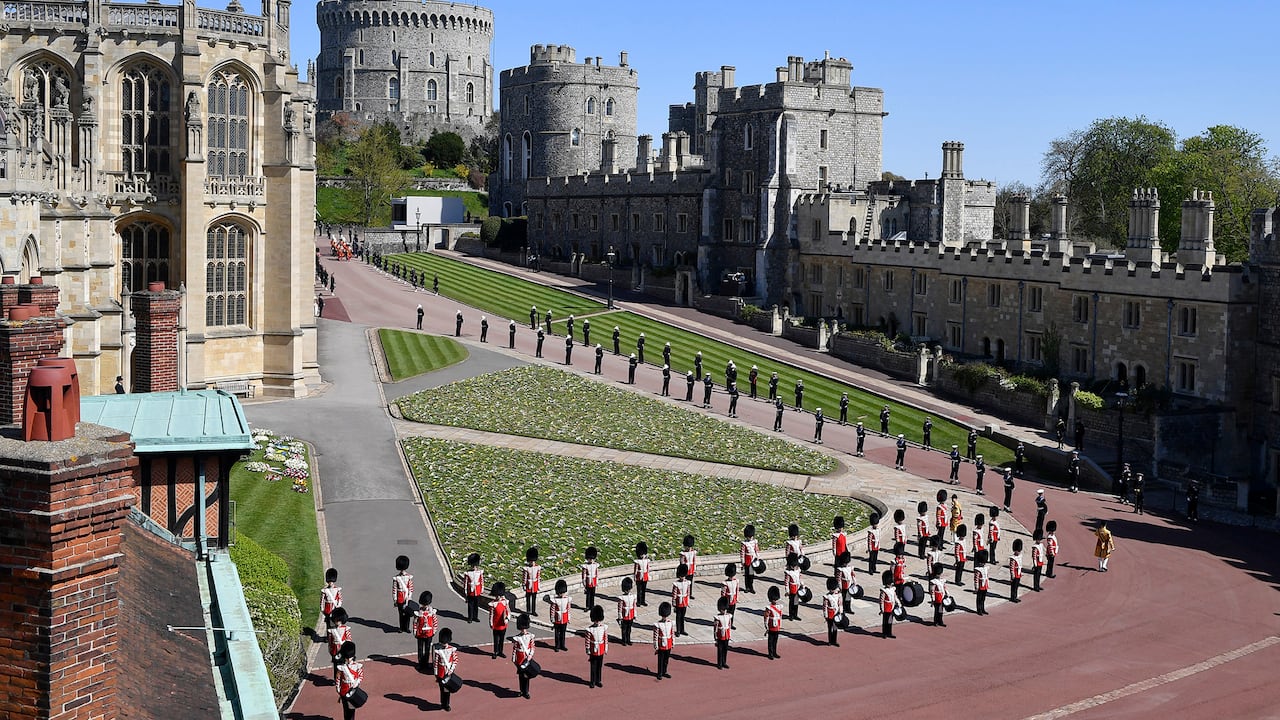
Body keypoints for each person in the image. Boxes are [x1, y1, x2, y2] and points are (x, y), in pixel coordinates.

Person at [335, 641, 364, 720]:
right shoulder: (341, 667)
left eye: (349, 657)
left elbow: (361, 676)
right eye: (347, 658)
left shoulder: (357, 666)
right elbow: (338, 678)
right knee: (346, 710)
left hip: (353, 690)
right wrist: (338, 687)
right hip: (344, 690)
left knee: (351, 710)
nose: (348, 659)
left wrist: (357, 682)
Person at [510, 613, 536, 699]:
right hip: (519, 659)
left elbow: (532, 648)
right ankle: (521, 691)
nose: (523, 630)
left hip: (526, 658)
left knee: (526, 676)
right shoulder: (517, 638)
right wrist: (514, 659)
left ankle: (526, 691)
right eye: (522, 629)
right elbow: (515, 649)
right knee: (521, 676)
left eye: (524, 628)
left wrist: (529, 657)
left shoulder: (530, 636)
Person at [432, 628, 458, 712]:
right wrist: (436, 674)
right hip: (441, 673)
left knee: (447, 690)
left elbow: (455, 661)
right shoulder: (438, 651)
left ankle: (446, 704)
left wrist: (451, 670)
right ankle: (443, 703)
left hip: (448, 672)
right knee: (442, 689)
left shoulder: (452, 649)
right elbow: (436, 663)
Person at [413, 591, 439, 671]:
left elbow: (435, 622)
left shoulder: (432, 612)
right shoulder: (418, 612)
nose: (424, 606)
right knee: (420, 649)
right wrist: (415, 631)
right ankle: (421, 663)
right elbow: (415, 622)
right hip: (420, 633)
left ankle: (426, 663)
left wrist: (434, 631)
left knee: (427, 649)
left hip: (429, 633)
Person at [327, 607, 352, 677]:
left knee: (344, 664)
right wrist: (331, 650)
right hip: (335, 649)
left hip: (343, 648)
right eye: (336, 620)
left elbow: (349, 639)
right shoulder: (332, 631)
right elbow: (330, 641)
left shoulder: (346, 629)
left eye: (339, 620)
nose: (337, 622)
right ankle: (336, 678)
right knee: (336, 665)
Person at [548, 579, 571, 651]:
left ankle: (562, 645)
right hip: (557, 619)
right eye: (561, 593)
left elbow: (568, 609)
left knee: (563, 633)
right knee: (557, 633)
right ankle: (557, 646)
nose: (562, 594)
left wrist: (569, 618)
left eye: (563, 592)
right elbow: (552, 610)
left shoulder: (567, 599)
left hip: (564, 618)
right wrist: (552, 618)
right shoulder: (554, 600)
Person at [392, 555, 414, 632]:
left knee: (407, 614)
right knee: (401, 614)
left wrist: (409, 596)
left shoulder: (409, 577)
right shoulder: (396, 578)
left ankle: (407, 627)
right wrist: (395, 599)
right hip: (400, 597)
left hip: (406, 597)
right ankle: (401, 627)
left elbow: (411, 588)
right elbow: (394, 589)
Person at [653, 602, 675, 678]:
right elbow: (655, 636)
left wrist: (673, 643)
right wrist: (656, 646)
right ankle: (659, 673)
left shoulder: (671, 623)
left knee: (666, 660)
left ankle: (664, 671)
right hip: (661, 644)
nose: (664, 617)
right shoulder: (658, 624)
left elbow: (672, 633)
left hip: (668, 644)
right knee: (660, 660)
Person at [489, 582, 510, 658]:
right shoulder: (492, 604)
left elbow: (508, 611)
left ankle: (500, 651)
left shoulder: (505, 602)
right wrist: (491, 623)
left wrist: (507, 619)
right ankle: (495, 651)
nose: (498, 597)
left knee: (501, 639)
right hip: (496, 624)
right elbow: (491, 615)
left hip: (503, 624)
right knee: (496, 639)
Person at [463, 553, 484, 623]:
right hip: (470, 592)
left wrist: (482, 589)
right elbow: (465, 583)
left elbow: (481, 581)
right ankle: (470, 618)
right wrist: (465, 592)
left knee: (476, 605)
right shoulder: (468, 573)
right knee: (470, 606)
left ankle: (475, 617)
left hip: (477, 591)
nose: (473, 567)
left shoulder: (479, 572)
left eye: (474, 566)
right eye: (472, 566)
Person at [713, 596, 734, 668]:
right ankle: (719, 664)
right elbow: (715, 628)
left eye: (725, 609)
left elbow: (729, 626)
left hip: (726, 635)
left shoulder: (729, 616)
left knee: (725, 650)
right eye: (723, 609)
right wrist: (715, 638)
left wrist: (729, 635)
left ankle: (724, 662)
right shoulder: (717, 617)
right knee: (720, 650)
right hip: (720, 636)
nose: (724, 611)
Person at [672, 564, 692, 636]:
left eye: (683, 576)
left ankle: (682, 630)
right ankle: (678, 630)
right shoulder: (676, 584)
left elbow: (688, 593)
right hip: (678, 602)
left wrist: (688, 601)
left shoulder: (687, 583)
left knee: (683, 616)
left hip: (684, 602)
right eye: (681, 576)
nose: (682, 577)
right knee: (678, 616)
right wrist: (674, 603)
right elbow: (674, 594)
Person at [764, 587, 784, 659]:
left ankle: (774, 652)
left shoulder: (779, 606)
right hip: (771, 625)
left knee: (775, 640)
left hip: (777, 625)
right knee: (770, 640)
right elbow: (766, 616)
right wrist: (766, 625)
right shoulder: (769, 607)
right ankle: (770, 653)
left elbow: (780, 616)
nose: (774, 601)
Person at [822, 577, 842, 646]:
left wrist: (841, 612)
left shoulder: (838, 595)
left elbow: (840, 604)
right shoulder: (827, 597)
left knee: (835, 628)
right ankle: (830, 641)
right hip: (830, 614)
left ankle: (834, 640)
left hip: (836, 613)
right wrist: (826, 616)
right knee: (830, 628)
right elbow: (825, 607)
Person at [741, 524, 761, 593]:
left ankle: (751, 587)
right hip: (747, 560)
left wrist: (758, 557)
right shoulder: (744, 543)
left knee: (751, 575)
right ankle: (747, 587)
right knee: (747, 575)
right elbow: (742, 553)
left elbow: (756, 550)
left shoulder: (754, 542)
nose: (751, 538)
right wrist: (742, 561)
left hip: (753, 560)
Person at [617, 577, 637, 645]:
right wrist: (620, 616)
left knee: (629, 629)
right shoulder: (621, 598)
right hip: (624, 615)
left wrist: (635, 614)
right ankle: (624, 640)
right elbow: (620, 608)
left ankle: (628, 640)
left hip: (630, 615)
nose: (627, 590)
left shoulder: (633, 597)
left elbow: (634, 606)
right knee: (624, 629)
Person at [783, 553, 804, 620]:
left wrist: (802, 584)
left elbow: (800, 578)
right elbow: (786, 582)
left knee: (796, 602)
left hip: (797, 587)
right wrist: (787, 591)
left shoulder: (798, 570)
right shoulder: (788, 572)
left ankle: (795, 614)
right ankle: (791, 615)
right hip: (792, 588)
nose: (794, 567)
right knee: (792, 602)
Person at [522, 547, 541, 615]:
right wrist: (524, 585)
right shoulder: (526, 568)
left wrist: (538, 585)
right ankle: (528, 610)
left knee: (534, 599)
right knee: (528, 599)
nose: (532, 562)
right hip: (528, 585)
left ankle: (533, 611)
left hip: (535, 585)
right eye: (531, 561)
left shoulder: (537, 567)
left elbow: (538, 577)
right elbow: (524, 578)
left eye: (533, 561)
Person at [581, 546, 601, 611]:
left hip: (593, 581)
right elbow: (583, 574)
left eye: (592, 559)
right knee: (588, 595)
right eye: (590, 559)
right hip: (588, 581)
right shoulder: (585, 566)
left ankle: (592, 606)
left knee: (593, 594)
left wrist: (597, 580)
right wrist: (583, 581)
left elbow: (597, 573)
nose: (591, 560)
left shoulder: (595, 565)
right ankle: (587, 606)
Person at [929, 563, 949, 627]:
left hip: (942, 596)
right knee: (937, 611)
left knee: (940, 611)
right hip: (937, 597)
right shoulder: (933, 581)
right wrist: (933, 599)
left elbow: (944, 587)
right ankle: (936, 621)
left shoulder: (942, 580)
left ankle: (940, 621)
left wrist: (947, 593)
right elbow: (932, 591)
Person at [880, 570, 898, 638]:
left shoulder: (893, 589)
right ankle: (884, 633)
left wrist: (899, 603)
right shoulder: (884, 591)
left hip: (892, 606)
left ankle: (889, 632)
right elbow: (881, 601)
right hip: (886, 607)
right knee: (885, 621)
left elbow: (895, 597)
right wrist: (882, 609)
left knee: (890, 620)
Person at [973, 549, 990, 615]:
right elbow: (976, 579)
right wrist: (976, 587)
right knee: (979, 598)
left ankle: (982, 609)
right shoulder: (977, 570)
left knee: (983, 598)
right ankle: (979, 609)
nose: (983, 563)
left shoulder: (985, 568)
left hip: (984, 585)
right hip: (980, 586)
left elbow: (987, 577)